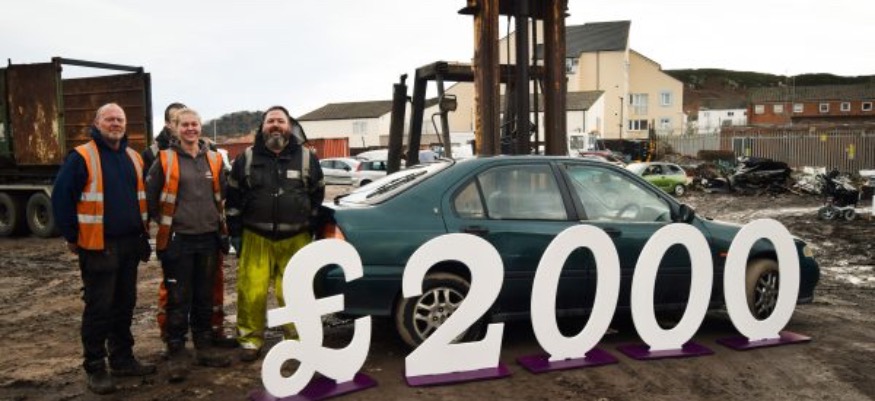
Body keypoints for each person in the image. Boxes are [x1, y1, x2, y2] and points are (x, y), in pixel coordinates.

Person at [51, 103, 156, 395]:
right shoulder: (82, 156)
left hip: (129, 244)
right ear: (97, 123)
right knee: (99, 308)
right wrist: (73, 236)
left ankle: (122, 359)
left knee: (125, 305)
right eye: (109, 119)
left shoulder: (134, 157)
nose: (115, 123)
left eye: (120, 119)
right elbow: (61, 198)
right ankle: (95, 367)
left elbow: (141, 199)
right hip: (98, 246)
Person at [225, 106, 325, 362]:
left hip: (296, 238)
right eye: (271, 121)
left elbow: (317, 194)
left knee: (292, 292)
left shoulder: (307, 157)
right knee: (252, 291)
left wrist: (311, 225)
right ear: (263, 127)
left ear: (289, 126)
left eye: (281, 120)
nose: (276, 125)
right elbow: (233, 197)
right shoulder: (247, 158)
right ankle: (250, 341)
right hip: (255, 236)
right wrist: (235, 233)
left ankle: (296, 340)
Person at [145, 108, 232, 382]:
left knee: (204, 295)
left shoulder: (214, 159)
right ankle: (177, 351)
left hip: (208, 238)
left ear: (200, 127)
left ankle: (204, 347)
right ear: (175, 127)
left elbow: (223, 194)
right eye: (184, 125)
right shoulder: (165, 159)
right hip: (178, 240)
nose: (190, 129)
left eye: (194, 124)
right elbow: (150, 198)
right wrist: (167, 224)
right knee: (178, 298)